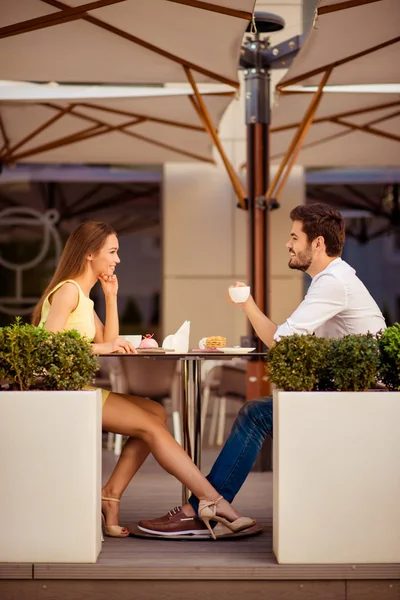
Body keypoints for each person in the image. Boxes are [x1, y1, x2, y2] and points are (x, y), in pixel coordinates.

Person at [139, 202, 386, 537]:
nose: (288, 244)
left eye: (294, 237)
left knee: (255, 414)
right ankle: (206, 505)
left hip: (364, 400)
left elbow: (282, 344)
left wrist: (247, 304)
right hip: (358, 395)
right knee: (258, 411)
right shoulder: (333, 280)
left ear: (318, 244)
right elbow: (285, 340)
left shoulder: (332, 282)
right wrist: (248, 304)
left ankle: (202, 509)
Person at [32, 220, 254, 540]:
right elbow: (47, 346)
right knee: (150, 426)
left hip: (75, 389)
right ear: (89, 254)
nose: (118, 259)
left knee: (155, 412)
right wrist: (104, 345)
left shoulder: (83, 295)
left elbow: (109, 344)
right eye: (112, 251)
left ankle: (110, 496)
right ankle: (211, 499)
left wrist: (111, 297)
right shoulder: (68, 290)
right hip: (61, 393)